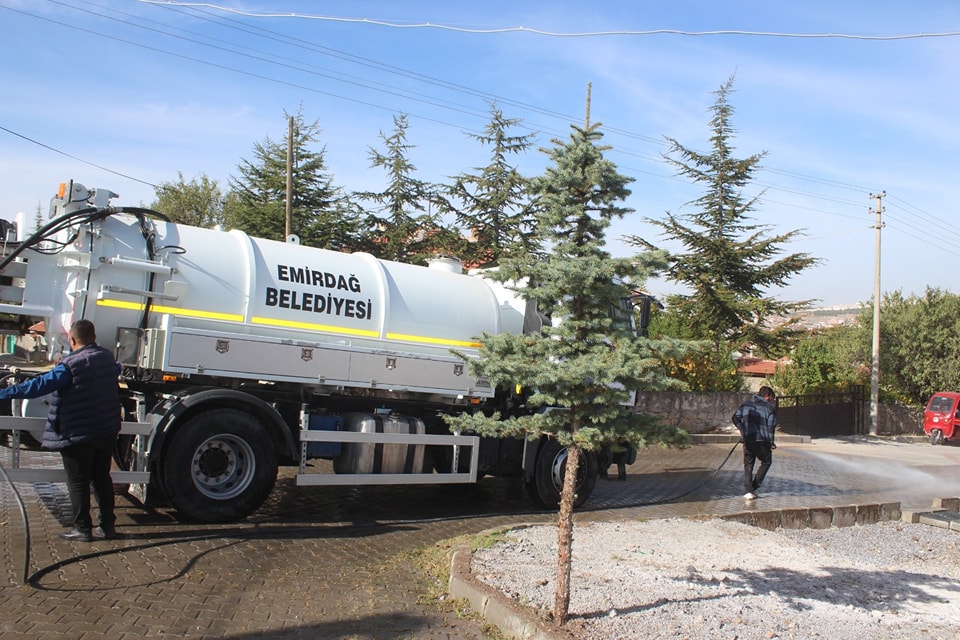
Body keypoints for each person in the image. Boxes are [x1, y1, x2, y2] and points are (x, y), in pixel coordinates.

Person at [0, 319, 122, 541]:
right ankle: (108, 527)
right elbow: (115, 370)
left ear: (72, 339)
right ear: (94, 338)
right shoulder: (107, 358)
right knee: (102, 479)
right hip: (105, 431)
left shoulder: (70, 365)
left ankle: (82, 529)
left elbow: (38, 387)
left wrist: (6, 393)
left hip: (77, 433)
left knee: (78, 482)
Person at [732, 385, 778, 501]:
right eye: (771, 398)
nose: (771, 401)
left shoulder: (746, 405)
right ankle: (755, 485)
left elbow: (735, 417)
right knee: (767, 461)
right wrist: (771, 442)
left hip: (748, 439)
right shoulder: (769, 408)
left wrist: (743, 430)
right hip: (762, 440)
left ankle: (748, 491)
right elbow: (770, 427)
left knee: (748, 464)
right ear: (767, 396)